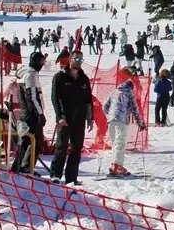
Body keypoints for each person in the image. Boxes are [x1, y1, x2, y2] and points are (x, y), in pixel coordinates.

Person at [50, 53, 94, 185]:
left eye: (81, 59)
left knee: (76, 148)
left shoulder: (83, 78)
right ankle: (55, 174)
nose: (79, 62)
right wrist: (60, 116)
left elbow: (88, 99)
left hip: (79, 118)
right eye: (77, 59)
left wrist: (90, 117)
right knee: (61, 146)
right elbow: (55, 98)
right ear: (70, 60)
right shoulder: (60, 76)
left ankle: (71, 177)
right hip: (65, 117)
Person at [10, 51, 47, 174]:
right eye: (41, 62)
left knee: (28, 141)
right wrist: (40, 114)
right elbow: (32, 97)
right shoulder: (31, 74)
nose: (42, 64)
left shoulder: (25, 73)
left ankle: (21, 166)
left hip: (26, 112)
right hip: (32, 114)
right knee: (34, 142)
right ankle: (23, 166)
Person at [103, 70, 146, 177]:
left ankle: (115, 164)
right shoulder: (129, 93)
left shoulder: (114, 92)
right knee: (120, 143)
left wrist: (111, 113)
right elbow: (135, 109)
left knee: (115, 143)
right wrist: (140, 123)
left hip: (111, 120)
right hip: (122, 120)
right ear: (131, 87)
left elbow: (105, 106)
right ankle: (117, 166)